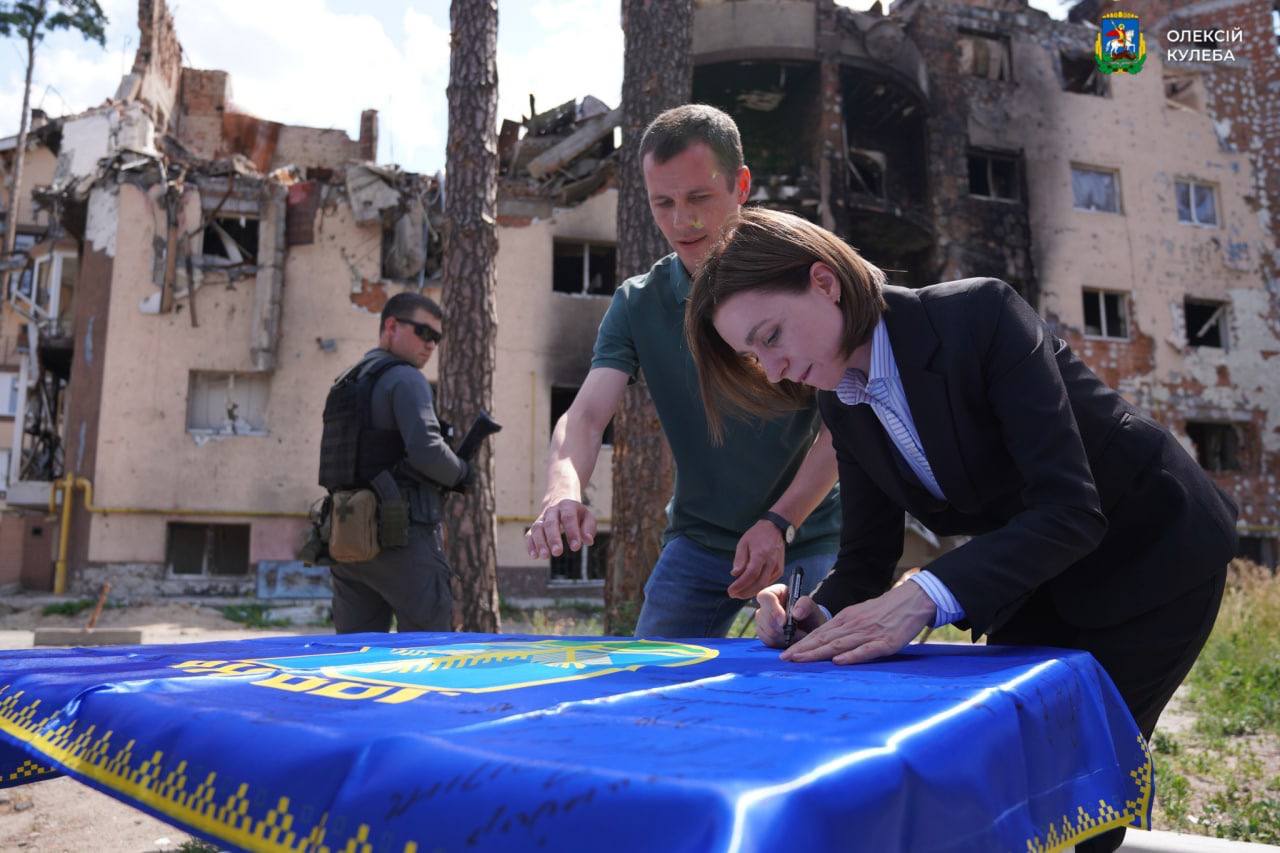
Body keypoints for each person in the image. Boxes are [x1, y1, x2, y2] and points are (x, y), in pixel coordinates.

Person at [685, 208, 1236, 826]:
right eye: (753, 356)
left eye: (770, 337)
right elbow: (867, 558)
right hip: (1037, 571)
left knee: (1081, 781)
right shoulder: (841, 402)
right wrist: (818, 615)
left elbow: (1069, 508)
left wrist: (923, 596)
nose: (773, 369)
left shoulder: (979, 315)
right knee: (1010, 767)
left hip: (1155, 551)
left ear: (824, 282)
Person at [524, 105, 842, 638]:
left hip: (806, 533)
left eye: (699, 198)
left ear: (741, 186)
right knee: (651, 678)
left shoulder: (800, 279)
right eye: (663, 203)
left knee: (814, 670)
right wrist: (562, 491)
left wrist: (780, 521)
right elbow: (585, 417)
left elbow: (844, 424)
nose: (682, 222)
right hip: (699, 543)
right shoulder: (637, 304)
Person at [325, 292, 470, 633]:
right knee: (427, 647)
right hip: (402, 535)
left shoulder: (346, 380)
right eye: (424, 332)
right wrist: (463, 472)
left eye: (437, 338)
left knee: (357, 651)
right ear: (391, 326)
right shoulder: (406, 378)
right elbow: (427, 450)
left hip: (347, 538)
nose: (431, 344)